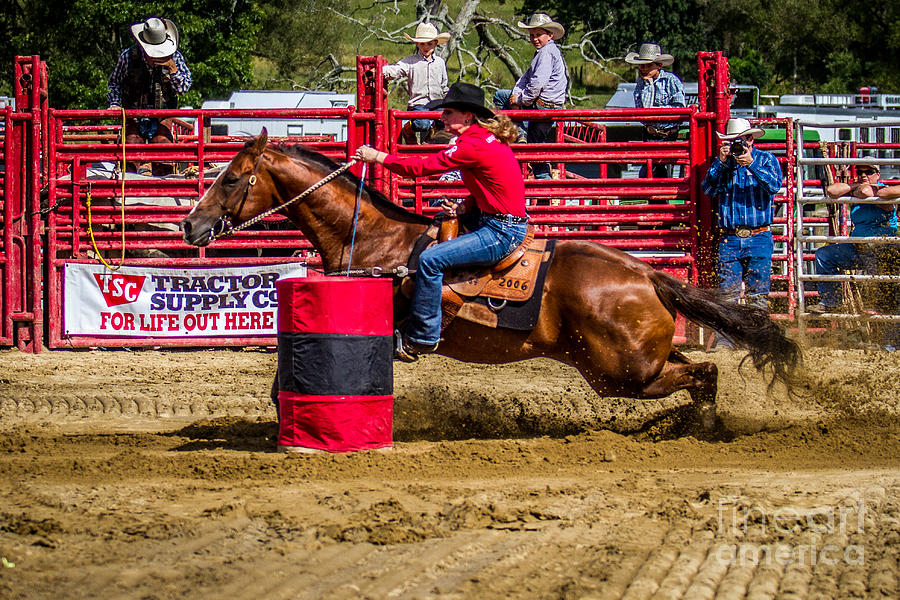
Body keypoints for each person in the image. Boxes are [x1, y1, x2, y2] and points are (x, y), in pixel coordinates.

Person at [355, 83, 528, 360]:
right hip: (500, 221)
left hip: (500, 231)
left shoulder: (472, 146)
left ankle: (423, 336)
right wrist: (464, 206)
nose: (442, 118)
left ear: (468, 117)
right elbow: (494, 186)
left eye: (448, 112)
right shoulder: (484, 140)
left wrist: (378, 156)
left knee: (430, 260)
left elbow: (420, 168)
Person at [701, 118, 783, 310]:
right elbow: (708, 190)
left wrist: (751, 165)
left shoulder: (765, 159)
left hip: (758, 235)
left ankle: (755, 338)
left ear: (750, 139)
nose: (738, 145)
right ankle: (726, 340)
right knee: (727, 296)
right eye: (733, 141)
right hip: (731, 237)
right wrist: (721, 163)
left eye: (741, 140)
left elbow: (774, 186)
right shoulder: (723, 164)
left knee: (758, 297)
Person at [809, 164, 900, 313]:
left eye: (869, 172)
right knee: (823, 255)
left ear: (878, 174)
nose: (864, 175)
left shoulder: (884, 191)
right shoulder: (858, 190)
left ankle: (881, 305)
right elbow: (832, 190)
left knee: (880, 259)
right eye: (860, 172)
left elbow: (867, 191)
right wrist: (856, 186)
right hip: (858, 249)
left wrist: (860, 189)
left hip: (881, 249)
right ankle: (831, 302)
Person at [107, 17, 192, 176]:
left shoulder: (175, 58)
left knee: (163, 149)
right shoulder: (128, 57)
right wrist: (114, 103)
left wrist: (173, 72)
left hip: (163, 115)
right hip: (133, 114)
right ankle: (129, 192)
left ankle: (162, 191)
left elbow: (184, 88)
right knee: (131, 149)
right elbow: (114, 83)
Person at [493, 12, 568, 179]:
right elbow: (527, 78)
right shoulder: (547, 51)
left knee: (500, 97)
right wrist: (517, 94)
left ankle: (519, 133)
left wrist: (520, 99)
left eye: (538, 34)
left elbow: (537, 83)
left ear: (549, 35)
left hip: (542, 103)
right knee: (537, 145)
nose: (535, 38)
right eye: (532, 35)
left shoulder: (545, 53)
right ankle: (544, 181)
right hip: (551, 105)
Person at [381, 22, 450, 145]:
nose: (426, 47)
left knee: (447, 122)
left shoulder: (440, 62)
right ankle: (408, 129)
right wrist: (381, 71)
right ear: (417, 44)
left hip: (437, 101)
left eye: (429, 43)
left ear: (435, 43)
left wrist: (449, 97)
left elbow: (444, 84)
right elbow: (396, 70)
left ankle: (430, 138)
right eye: (422, 44)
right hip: (418, 103)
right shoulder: (411, 62)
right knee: (421, 124)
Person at [625, 42, 685, 179]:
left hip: (668, 135)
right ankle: (658, 198)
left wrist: (655, 112)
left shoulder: (671, 81)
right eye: (642, 65)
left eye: (648, 65)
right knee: (650, 171)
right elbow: (641, 111)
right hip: (649, 134)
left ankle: (659, 198)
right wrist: (649, 86)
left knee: (654, 170)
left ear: (659, 65)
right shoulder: (641, 83)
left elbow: (680, 109)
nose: (644, 69)